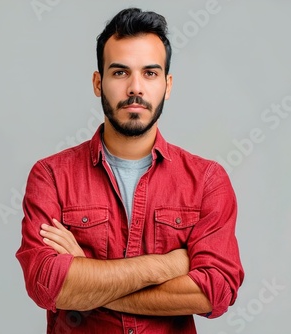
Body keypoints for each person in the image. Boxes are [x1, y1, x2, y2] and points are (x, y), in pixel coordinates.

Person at [16, 7, 244, 333]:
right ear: (98, 82)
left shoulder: (207, 181)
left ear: (167, 85)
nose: (135, 88)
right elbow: (47, 285)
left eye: (149, 73)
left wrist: (87, 275)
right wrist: (169, 264)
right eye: (120, 73)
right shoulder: (51, 176)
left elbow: (215, 292)